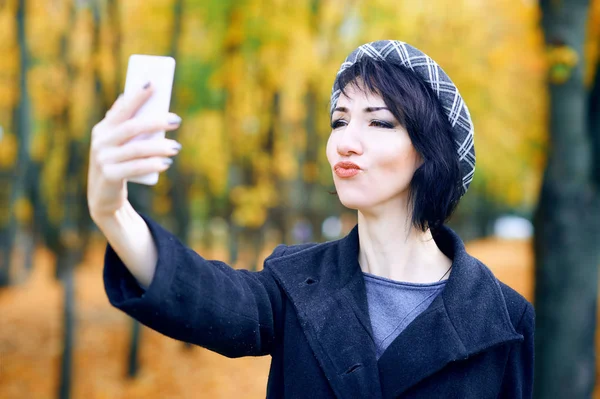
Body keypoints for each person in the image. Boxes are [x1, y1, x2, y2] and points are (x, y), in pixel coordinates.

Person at [87, 41, 534, 398]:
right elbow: (203, 296)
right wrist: (112, 211)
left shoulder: (505, 322)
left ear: (428, 150)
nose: (346, 142)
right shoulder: (296, 283)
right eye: (339, 122)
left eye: (378, 123)